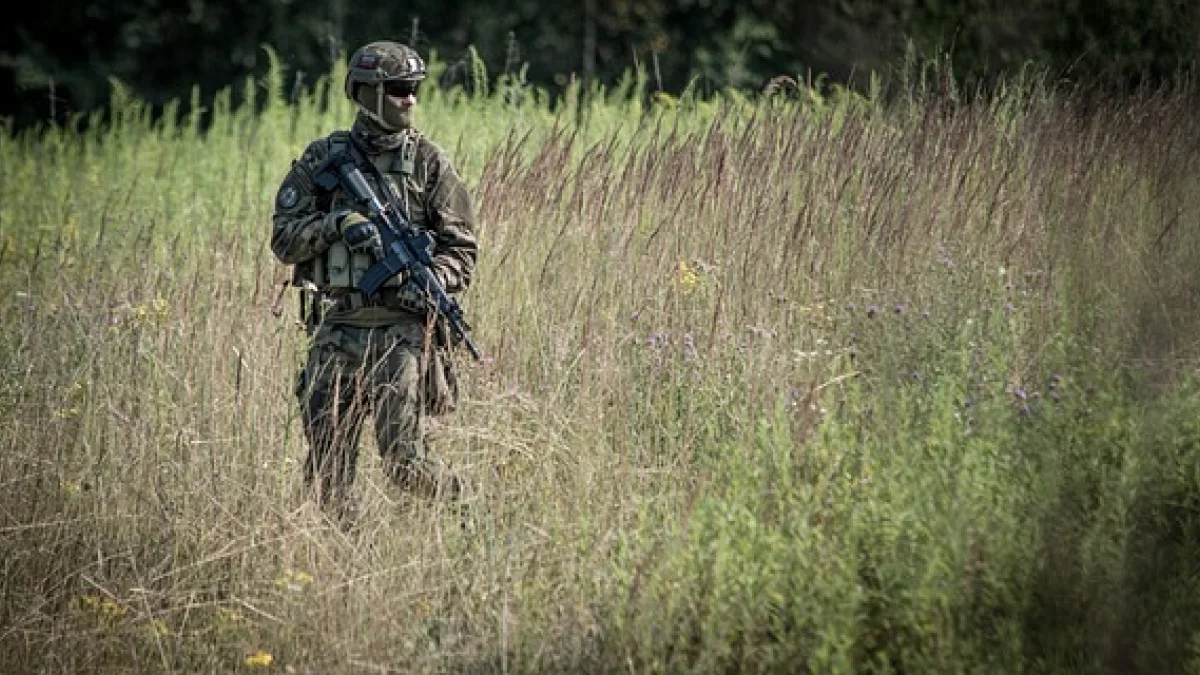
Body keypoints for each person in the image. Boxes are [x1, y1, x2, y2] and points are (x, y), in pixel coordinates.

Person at [270, 41, 477, 518]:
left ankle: (471, 511)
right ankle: (347, 568)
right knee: (328, 469)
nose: (410, 99)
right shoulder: (324, 160)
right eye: (399, 89)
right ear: (365, 93)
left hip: (401, 335)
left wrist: (430, 282)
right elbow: (283, 241)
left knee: (406, 465)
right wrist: (336, 225)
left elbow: (462, 250)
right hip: (337, 329)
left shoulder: (429, 163)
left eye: (415, 89)